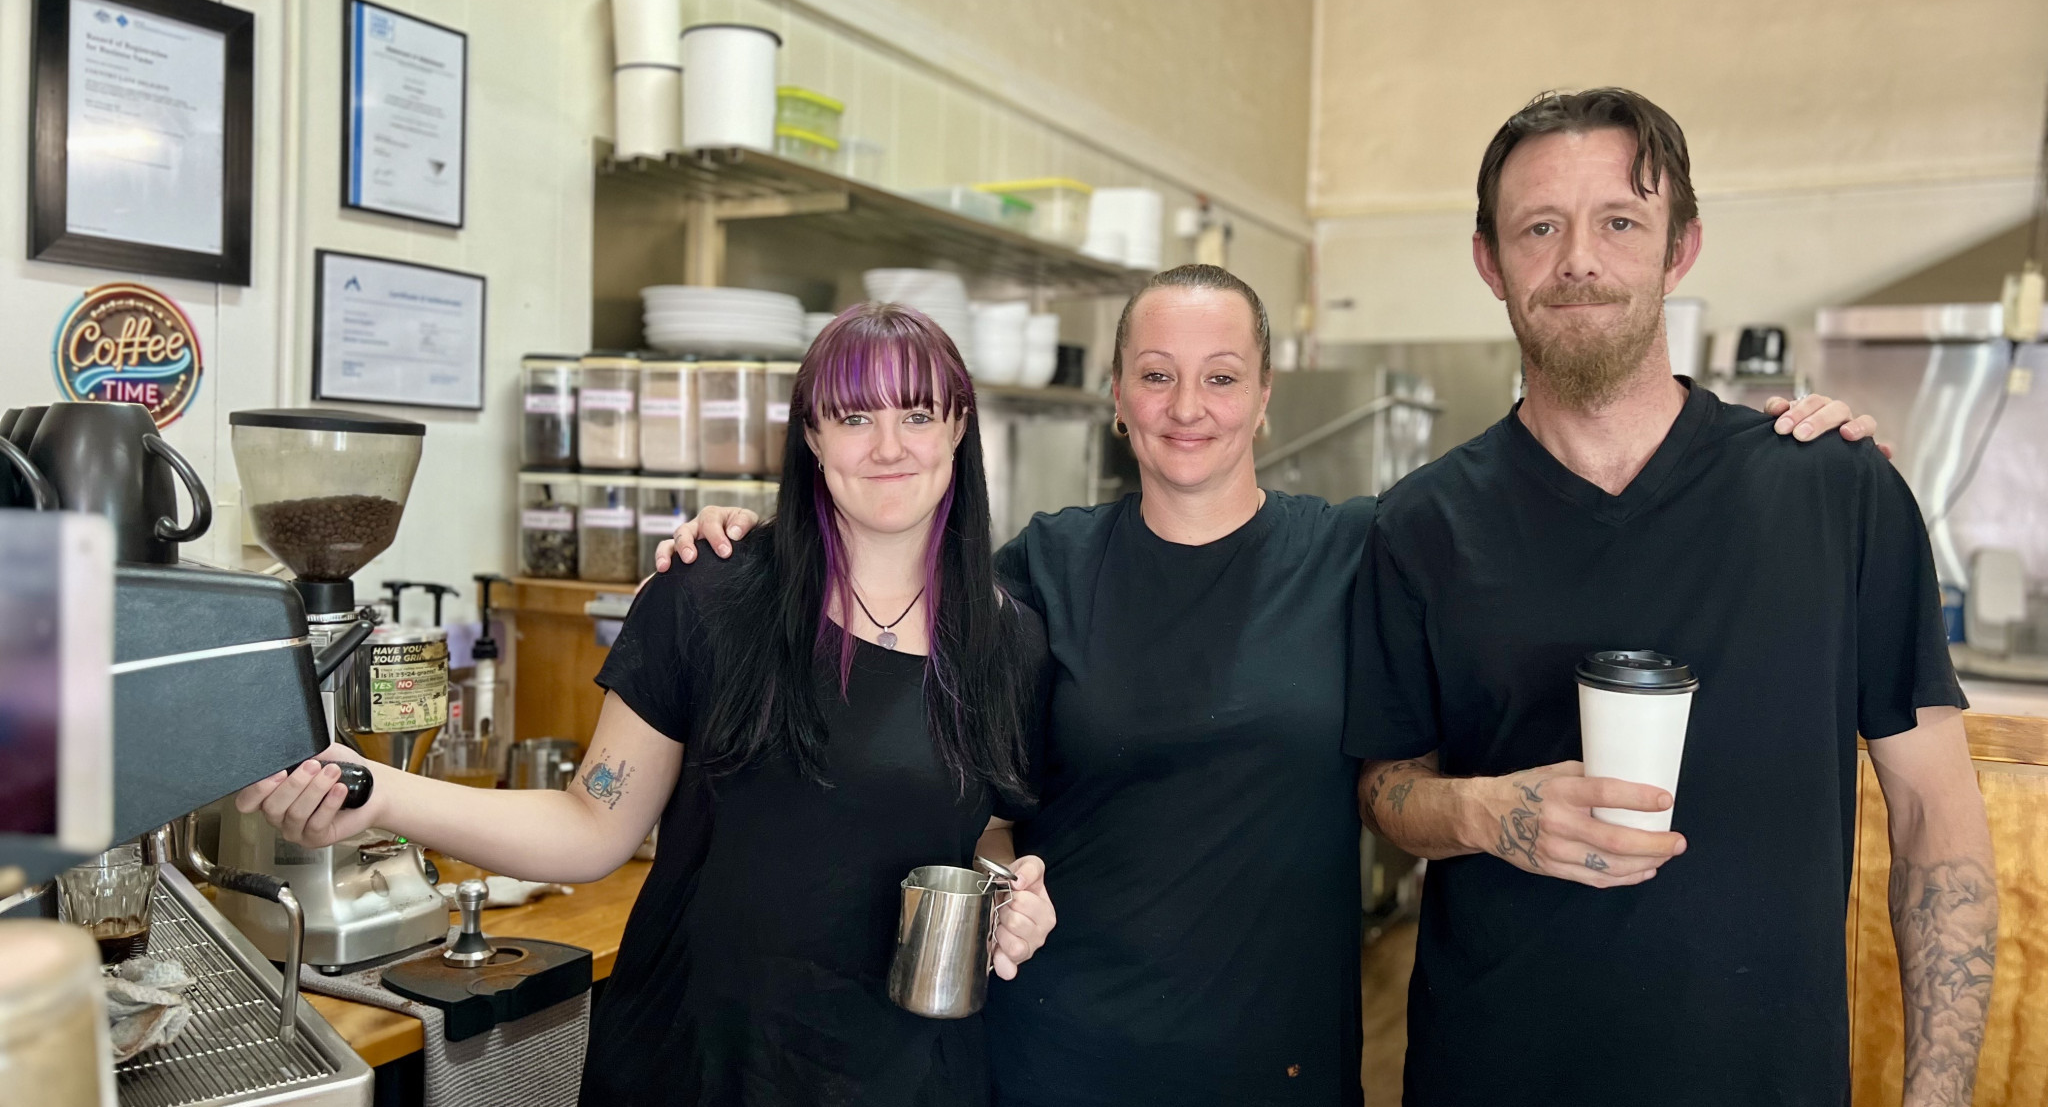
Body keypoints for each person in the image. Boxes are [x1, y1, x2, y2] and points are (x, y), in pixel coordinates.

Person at [660, 269, 1879, 1105]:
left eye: (1220, 377)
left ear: (1262, 397)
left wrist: (1752, 453)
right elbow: (938, 754)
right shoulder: (1038, 566)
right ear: (1117, 397)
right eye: (1154, 376)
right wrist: (747, 542)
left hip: (1278, 1052)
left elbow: (1559, 550)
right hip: (1060, 1044)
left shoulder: (1361, 548)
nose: (1186, 409)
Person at [1349, 87, 1997, 1107]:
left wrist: (1939, 1096)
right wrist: (1483, 813)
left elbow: (1935, 819)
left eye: (1619, 221)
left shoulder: (1835, 490)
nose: (1577, 261)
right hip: (1493, 1069)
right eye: (1537, 227)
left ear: (1678, 247)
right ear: (1488, 260)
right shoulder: (1419, 525)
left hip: (1762, 1077)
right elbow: (1387, 786)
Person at [238, 303, 1058, 1107]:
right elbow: (591, 823)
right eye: (853, 416)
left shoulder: (1007, 640)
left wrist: (1011, 888)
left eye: (917, 413)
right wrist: (377, 790)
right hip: (700, 1058)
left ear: (958, 426)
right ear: (810, 436)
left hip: (906, 1070)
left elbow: (983, 823)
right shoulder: (710, 594)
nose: (888, 447)